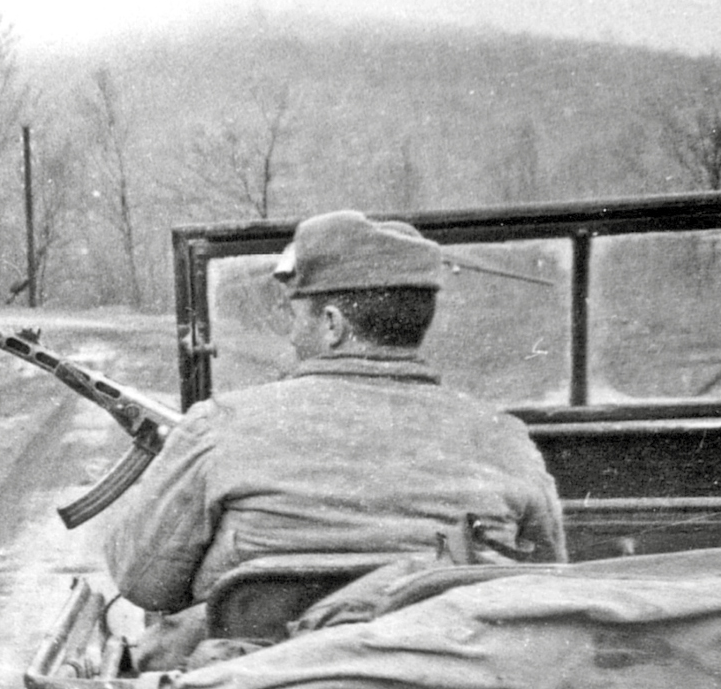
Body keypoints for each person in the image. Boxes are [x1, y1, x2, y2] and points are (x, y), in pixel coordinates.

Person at [102, 209, 565, 617]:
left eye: (294, 315)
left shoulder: (219, 426)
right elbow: (544, 583)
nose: (289, 335)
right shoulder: (505, 439)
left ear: (331, 325)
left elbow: (142, 582)